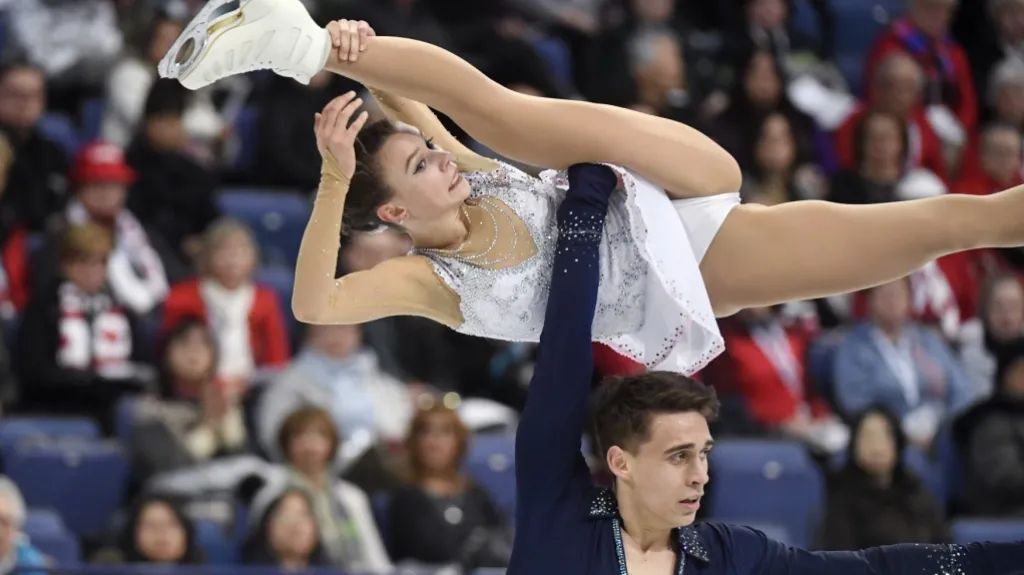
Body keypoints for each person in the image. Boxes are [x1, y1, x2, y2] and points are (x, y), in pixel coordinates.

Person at [163, 2, 1024, 375]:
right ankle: (294, 40)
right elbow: (315, 302)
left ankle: (297, 43)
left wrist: (347, 44)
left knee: (500, 115)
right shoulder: (429, 284)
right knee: (950, 227)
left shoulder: (475, 170)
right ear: (392, 212)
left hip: (662, 180)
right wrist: (331, 180)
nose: (442, 160)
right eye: (422, 167)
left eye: (432, 153)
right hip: (700, 261)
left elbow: (435, 104)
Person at [510, 160, 1024, 573]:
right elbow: (564, 350)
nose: (701, 476)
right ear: (621, 462)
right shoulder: (558, 519)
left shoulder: (728, 555)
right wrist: (584, 208)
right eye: (679, 456)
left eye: (703, 454)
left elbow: (870, 567)